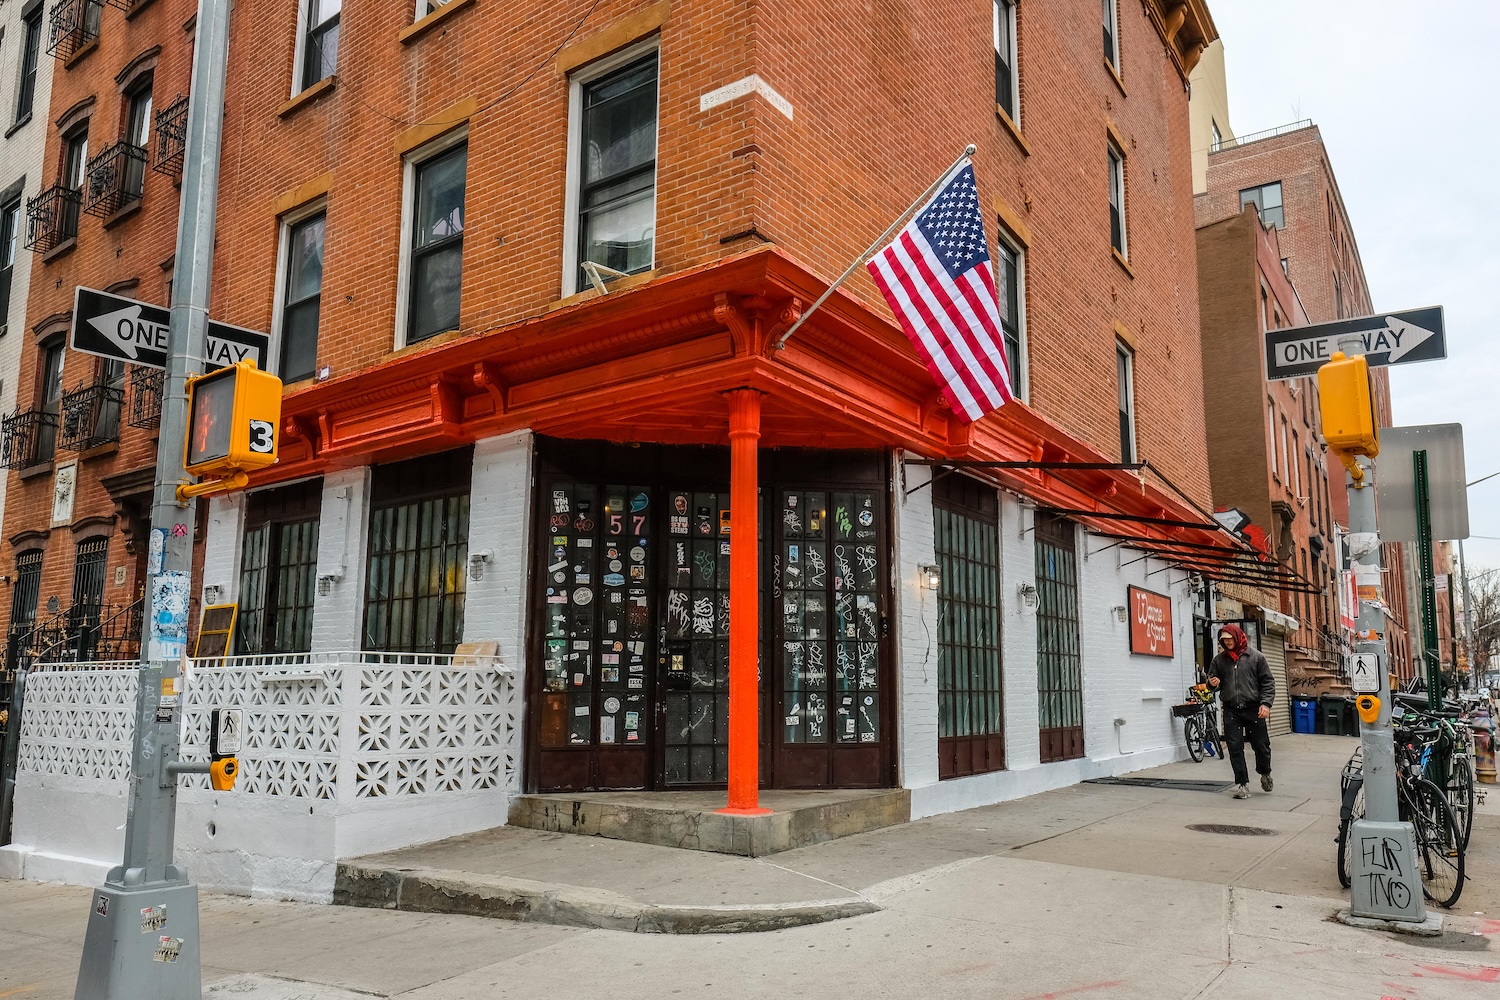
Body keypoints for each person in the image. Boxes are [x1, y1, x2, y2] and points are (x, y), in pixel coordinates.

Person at [1206, 623, 1275, 799]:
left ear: (1237, 637)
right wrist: (1212, 684)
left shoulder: (1256, 657)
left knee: (1261, 746)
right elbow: (1212, 682)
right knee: (1234, 747)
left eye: (1230, 639)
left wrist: (1266, 704)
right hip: (1231, 709)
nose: (1227, 643)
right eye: (1224, 640)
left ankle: (1265, 772)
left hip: (1254, 708)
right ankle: (1242, 784)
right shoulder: (1219, 660)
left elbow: (1268, 682)